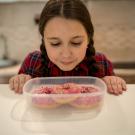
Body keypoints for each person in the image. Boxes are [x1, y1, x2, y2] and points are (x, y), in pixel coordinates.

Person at [9, 0, 126, 95]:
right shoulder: (32, 62)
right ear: (44, 40)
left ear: (88, 39)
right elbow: (20, 89)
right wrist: (19, 81)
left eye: (76, 42)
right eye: (55, 43)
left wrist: (113, 82)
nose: (66, 54)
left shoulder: (101, 63)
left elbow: (114, 91)